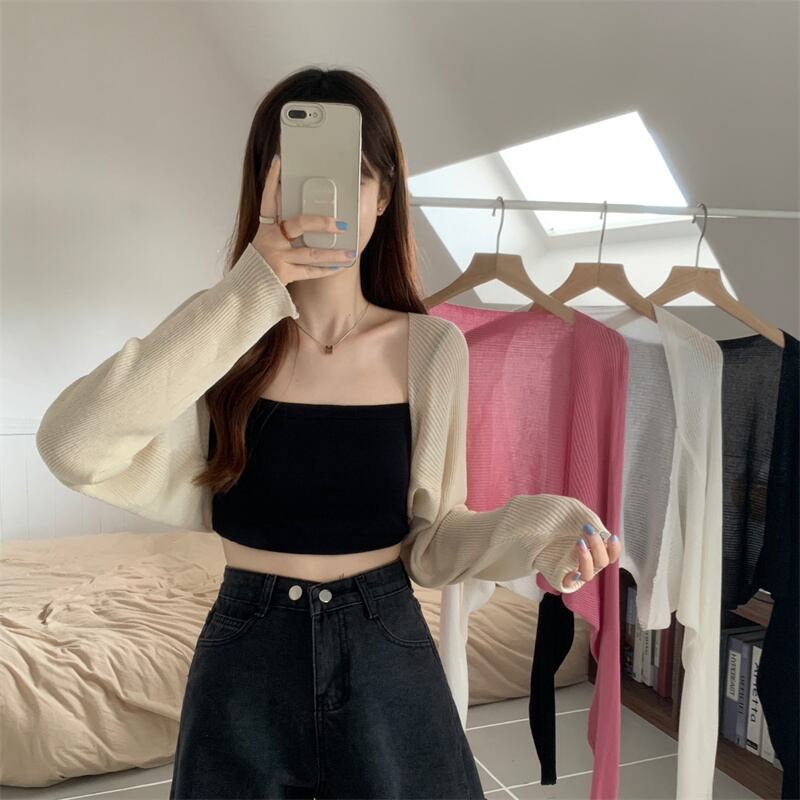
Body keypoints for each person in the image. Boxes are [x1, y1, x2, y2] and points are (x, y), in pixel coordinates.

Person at [36, 66, 619, 800]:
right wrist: (251, 288)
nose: (329, 199)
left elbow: (433, 545)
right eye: (300, 178)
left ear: (383, 197)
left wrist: (540, 527)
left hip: (386, 648)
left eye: (356, 177)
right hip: (246, 657)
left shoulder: (431, 348)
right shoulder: (222, 333)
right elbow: (72, 446)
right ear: (265, 189)